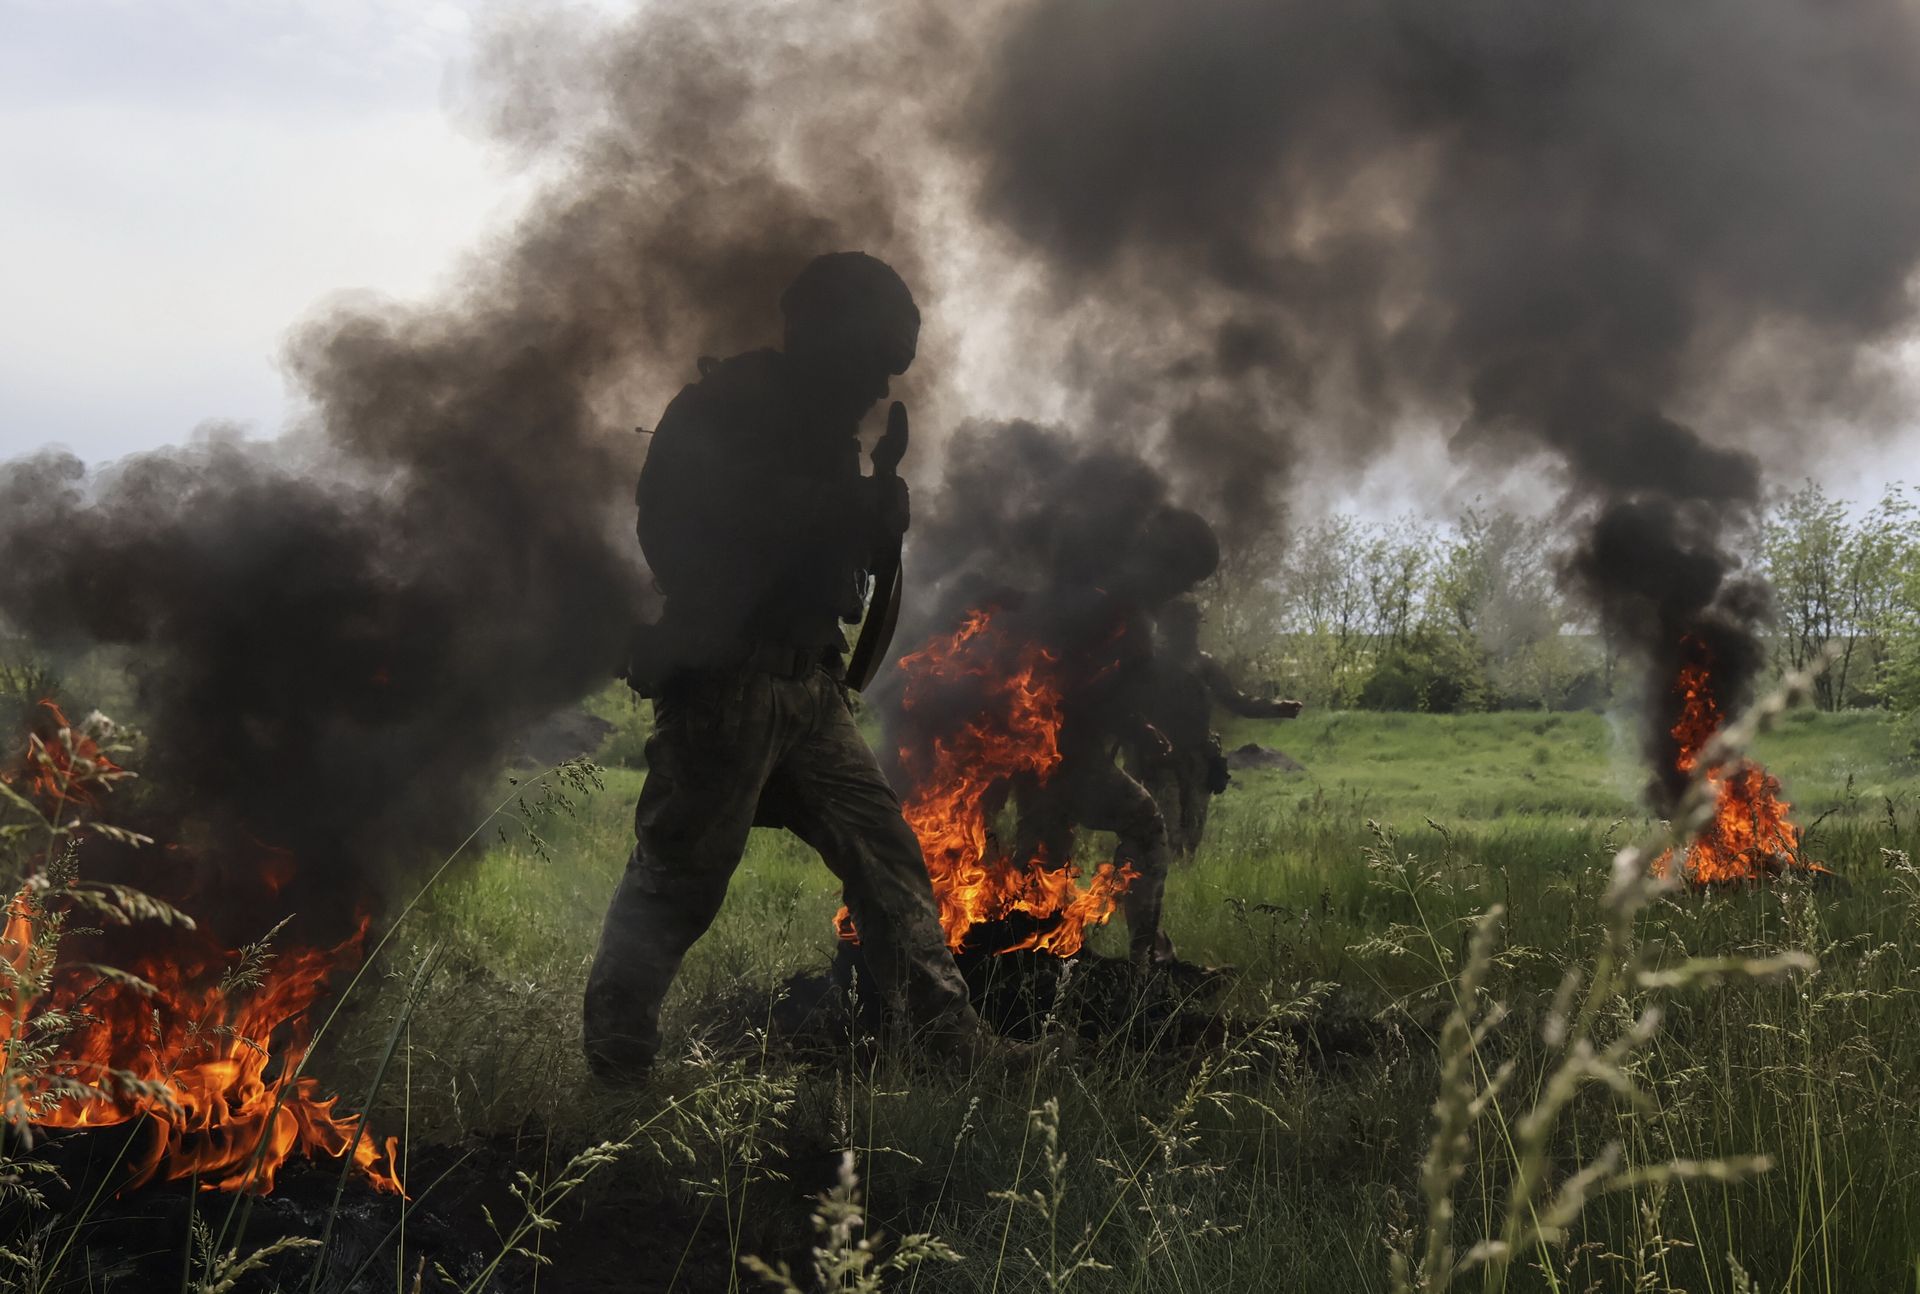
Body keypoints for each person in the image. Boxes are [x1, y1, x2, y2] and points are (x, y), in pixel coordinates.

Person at [582, 252, 995, 1080]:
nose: (880, 387)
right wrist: (845, 508)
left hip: (810, 686)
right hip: (726, 683)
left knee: (887, 858)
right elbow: (684, 534)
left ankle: (947, 1041)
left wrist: (877, 522)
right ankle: (618, 1062)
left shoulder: (824, 434)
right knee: (679, 880)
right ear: (824, 338)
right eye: (873, 362)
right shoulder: (722, 412)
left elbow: (830, 551)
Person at [1011, 506, 1222, 964]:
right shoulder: (1113, 601)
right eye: (1184, 575)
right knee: (1143, 825)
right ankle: (1143, 959)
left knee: (1045, 846)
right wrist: (1132, 724)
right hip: (1056, 745)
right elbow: (1078, 683)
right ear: (1167, 561)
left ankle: (1040, 950)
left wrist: (1135, 725)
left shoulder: (1114, 594)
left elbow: (1101, 685)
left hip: (1048, 744)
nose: (1182, 590)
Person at [1132, 598, 1302, 861]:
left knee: (1192, 837)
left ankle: (1185, 888)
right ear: (1170, 628)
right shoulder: (1150, 664)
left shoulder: (1205, 665)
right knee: (1166, 835)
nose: (1192, 632)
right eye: (1185, 625)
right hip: (1161, 762)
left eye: (1193, 625)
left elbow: (1236, 699)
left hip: (1198, 760)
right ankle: (1163, 890)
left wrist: (1277, 707)